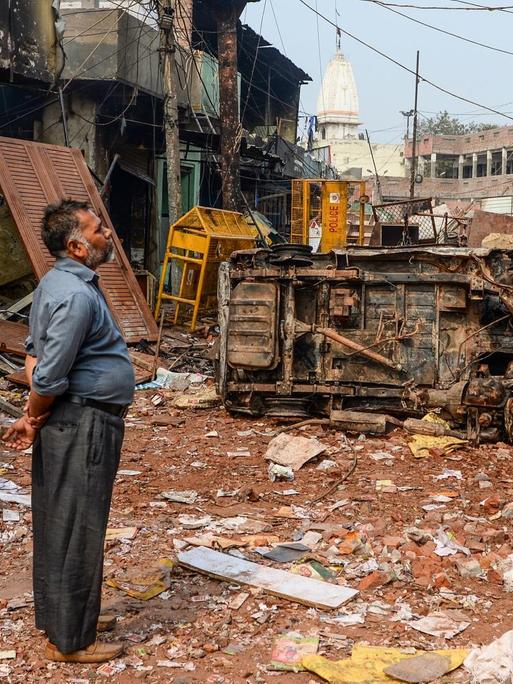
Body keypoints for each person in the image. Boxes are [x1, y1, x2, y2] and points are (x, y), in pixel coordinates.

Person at [2, 199, 135, 664]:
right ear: (77, 246)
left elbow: (35, 352)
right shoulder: (76, 295)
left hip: (72, 419)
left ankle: (66, 616)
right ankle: (73, 641)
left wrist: (32, 415)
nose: (107, 236)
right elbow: (50, 373)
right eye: (98, 230)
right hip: (84, 421)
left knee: (63, 520)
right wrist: (34, 413)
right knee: (79, 524)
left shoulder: (55, 284)